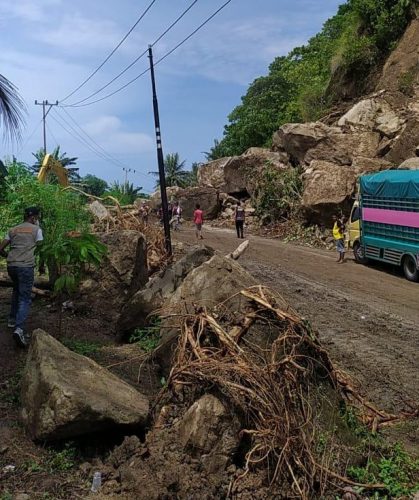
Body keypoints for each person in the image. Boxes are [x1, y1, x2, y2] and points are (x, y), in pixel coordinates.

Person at [0, 207, 43, 347]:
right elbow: (41, 248)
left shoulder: (13, 229)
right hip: (26, 267)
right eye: (37, 217)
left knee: (17, 290)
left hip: (11, 266)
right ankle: (19, 329)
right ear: (33, 218)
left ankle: (12, 320)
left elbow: (0, 249)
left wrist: (10, 257)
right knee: (25, 297)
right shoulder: (36, 230)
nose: (37, 220)